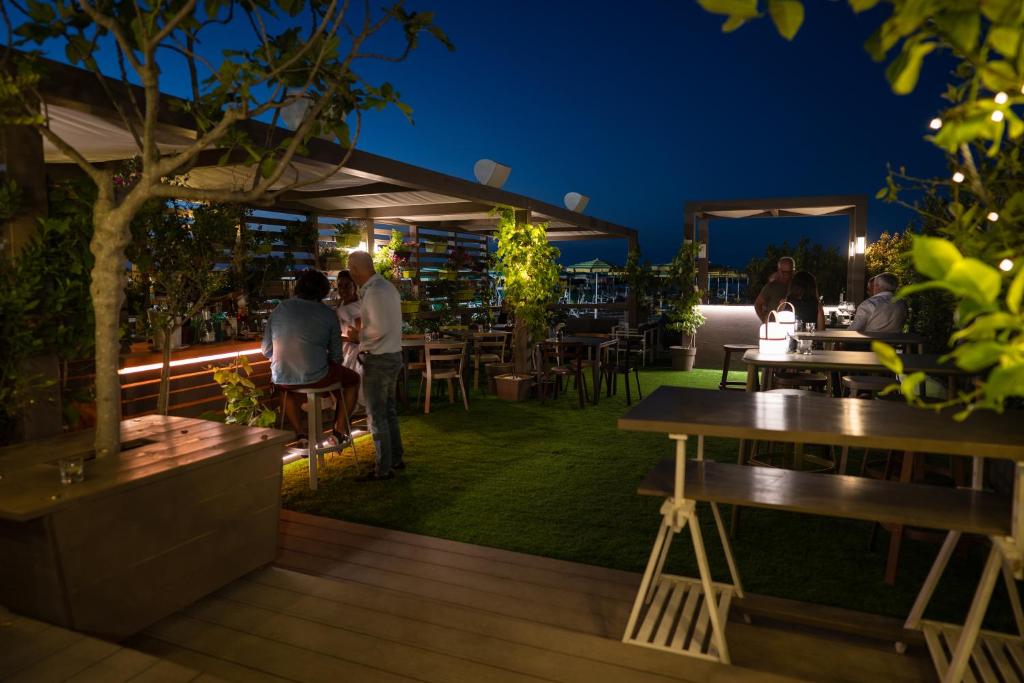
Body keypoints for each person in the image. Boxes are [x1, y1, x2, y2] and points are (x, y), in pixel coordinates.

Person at [261, 269, 359, 442]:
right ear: (323, 291)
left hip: (282, 376)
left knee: (284, 388)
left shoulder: (279, 308)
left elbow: (266, 350)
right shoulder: (328, 314)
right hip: (317, 376)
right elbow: (337, 357)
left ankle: (300, 435)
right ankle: (338, 431)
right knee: (353, 380)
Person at [347, 251, 405, 481]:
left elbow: (376, 329)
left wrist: (357, 337)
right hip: (393, 355)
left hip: (379, 358)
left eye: (351, 269)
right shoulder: (387, 288)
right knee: (388, 411)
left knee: (377, 415)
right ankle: (395, 458)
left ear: (355, 270)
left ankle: (383, 468)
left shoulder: (374, 292)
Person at [754, 256, 795, 322]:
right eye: (783, 272)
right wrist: (764, 321)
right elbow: (757, 304)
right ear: (778, 270)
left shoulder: (797, 285)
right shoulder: (771, 286)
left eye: (789, 272)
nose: (786, 275)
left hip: (792, 327)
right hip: (773, 327)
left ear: (793, 270)